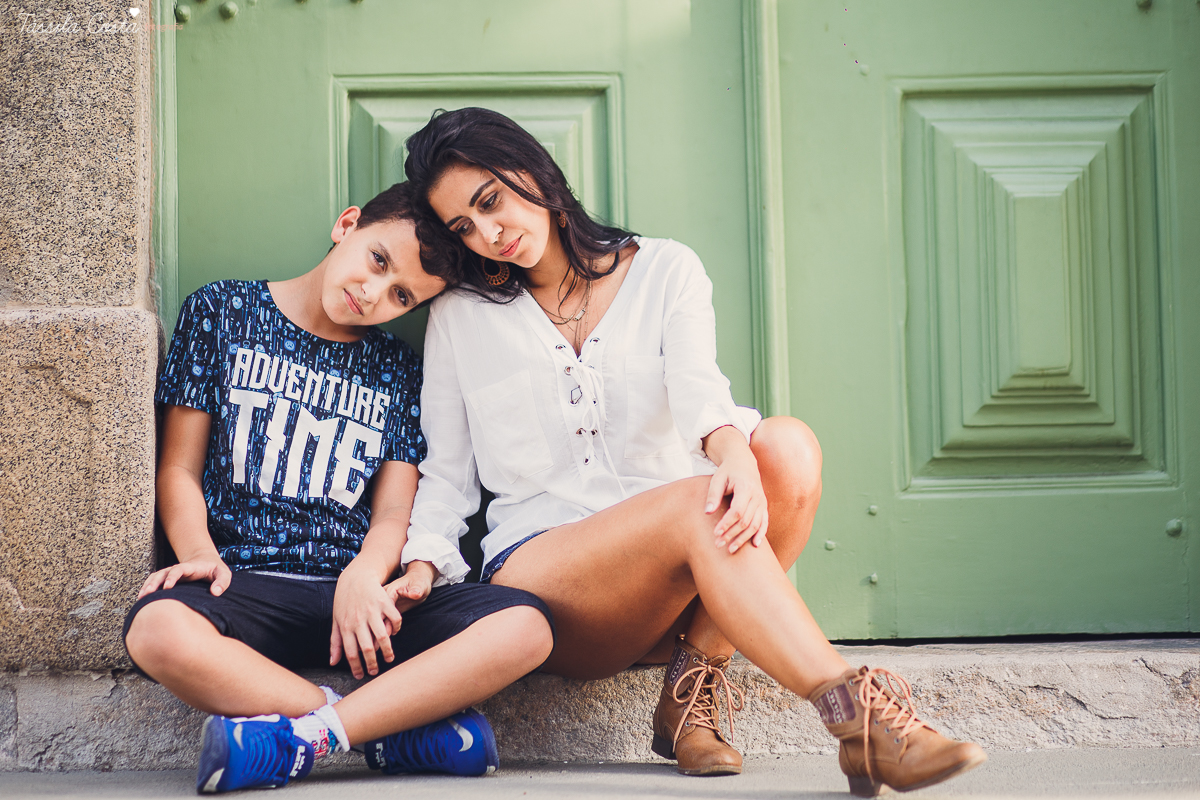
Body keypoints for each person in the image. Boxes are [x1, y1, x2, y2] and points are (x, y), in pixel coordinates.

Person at [397, 108, 986, 796]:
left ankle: (691, 689)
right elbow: (447, 469)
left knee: (787, 448)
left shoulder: (664, 268)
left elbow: (698, 387)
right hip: (554, 583)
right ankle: (859, 719)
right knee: (694, 507)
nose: (489, 234)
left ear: (533, 171)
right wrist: (421, 563)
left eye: (490, 200)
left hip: (683, 584)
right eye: (463, 227)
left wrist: (732, 449)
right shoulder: (461, 315)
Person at [122, 182, 555, 794]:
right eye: (378, 261)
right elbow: (178, 470)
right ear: (347, 225)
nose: (373, 293)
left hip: (359, 600)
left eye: (401, 296)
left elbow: (394, 510)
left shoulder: (397, 368)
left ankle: (308, 737)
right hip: (244, 583)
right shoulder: (220, 311)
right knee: (155, 630)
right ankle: (381, 733)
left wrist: (364, 576)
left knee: (527, 626)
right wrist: (197, 553)